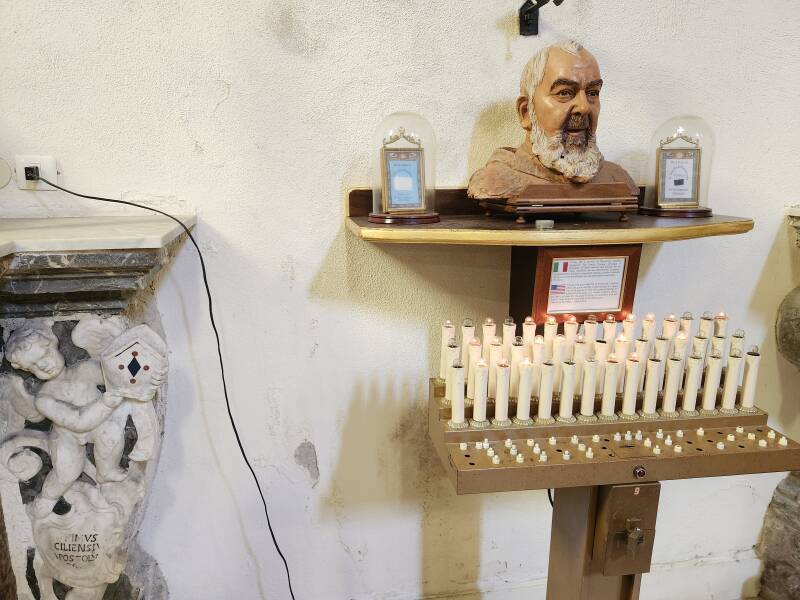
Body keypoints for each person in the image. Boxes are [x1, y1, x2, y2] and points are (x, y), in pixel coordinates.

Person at [468, 40, 637, 200]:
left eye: (592, 93)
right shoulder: (497, 179)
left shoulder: (616, 179)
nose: (584, 107)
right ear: (526, 112)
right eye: (564, 93)